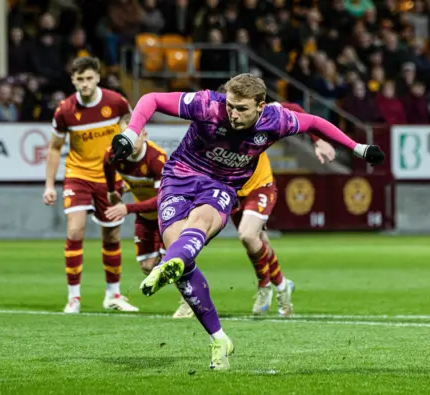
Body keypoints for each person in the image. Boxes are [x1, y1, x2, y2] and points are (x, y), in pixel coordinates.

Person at [110, 73, 385, 370]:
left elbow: (315, 122)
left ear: (260, 106)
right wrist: (130, 133)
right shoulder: (206, 105)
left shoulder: (275, 120)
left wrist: (358, 148)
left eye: (242, 109)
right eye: (231, 106)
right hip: (179, 177)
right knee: (181, 253)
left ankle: (173, 264)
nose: (233, 113)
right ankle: (219, 337)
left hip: (222, 185)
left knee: (200, 225)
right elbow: (151, 100)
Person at [172, 100, 337, 320]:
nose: (232, 115)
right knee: (259, 243)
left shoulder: (260, 114)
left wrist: (317, 140)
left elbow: (295, 109)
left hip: (260, 186)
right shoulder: (210, 127)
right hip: (229, 191)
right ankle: (282, 286)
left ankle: (264, 286)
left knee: (248, 235)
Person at [43, 56, 138, 314]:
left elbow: (130, 133)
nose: (84, 84)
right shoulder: (65, 110)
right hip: (78, 175)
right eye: (79, 79)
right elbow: (54, 148)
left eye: (89, 78)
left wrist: (127, 173)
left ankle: (113, 294)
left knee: (112, 234)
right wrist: (49, 185)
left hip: (109, 179)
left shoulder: (116, 102)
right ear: (73, 80)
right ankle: (74, 297)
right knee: (75, 231)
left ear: (97, 77)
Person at [103, 131, 167, 276]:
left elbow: (163, 200)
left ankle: (189, 295)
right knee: (147, 267)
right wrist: (112, 190)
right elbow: (107, 164)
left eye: (135, 136)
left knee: (169, 263)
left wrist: (127, 208)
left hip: (168, 216)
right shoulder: (114, 154)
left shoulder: (156, 159)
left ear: (144, 135)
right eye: (128, 138)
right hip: (145, 216)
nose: (132, 142)